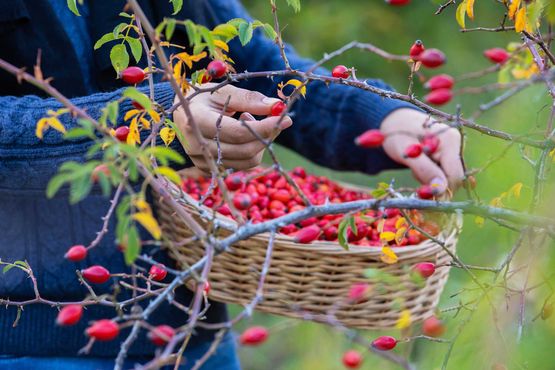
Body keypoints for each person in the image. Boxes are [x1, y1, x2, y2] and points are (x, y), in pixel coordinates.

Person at [0, 0, 464, 369]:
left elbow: (257, 66)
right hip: (33, 337)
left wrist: (384, 117)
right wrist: (154, 122)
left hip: (194, 331)